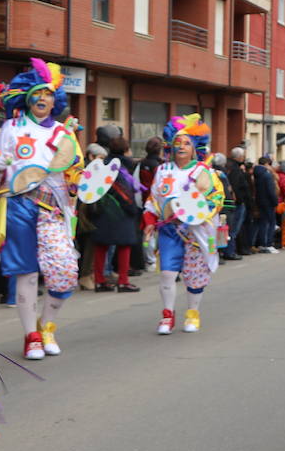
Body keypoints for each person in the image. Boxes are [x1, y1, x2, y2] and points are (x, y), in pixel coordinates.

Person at [0, 59, 83, 360]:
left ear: (56, 100)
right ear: (26, 98)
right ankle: (31, 336)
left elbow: (75, 174)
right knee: (26, 274)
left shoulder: (63, 133)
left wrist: (77, 185)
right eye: (37, 94)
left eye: (49, 94)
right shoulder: (11, 128)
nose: (43, 99)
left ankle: (48, 325)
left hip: (52, 209)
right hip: (19, 205)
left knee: (65, 272)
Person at [144, 115, 222, 334]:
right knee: (168, 273)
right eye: (178, 142)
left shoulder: (203, 171)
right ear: (170, 145)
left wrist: (199, 211)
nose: (181, 147)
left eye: (187, 143)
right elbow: (153, 199)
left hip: (195, 230)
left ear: (195, 147)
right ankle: (167, 315)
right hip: (169, 229)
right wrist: (149, 221)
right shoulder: (162, 171)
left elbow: (216, 199)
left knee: (194, 276)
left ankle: (193, 313)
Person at [86, 132, 141, 293]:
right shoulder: (125, 166)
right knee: (124, 245)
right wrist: (132, 209)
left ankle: (99, 280)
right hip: (122, 212)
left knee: (101, 246)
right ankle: (123, 281)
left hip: (103, 210)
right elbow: (126, 192)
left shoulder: (102, 164)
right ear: (125, 150)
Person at [225, 146, 252, 257]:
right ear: (240, 157)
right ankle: (230, 251)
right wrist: (239, 199)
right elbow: (236, 186)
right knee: (234, 228)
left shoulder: (231, 167)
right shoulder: (235, 169)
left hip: (235, 202)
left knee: (234, 228)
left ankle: (231, 250)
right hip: (237, 203)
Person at [252, 155, 279, 253]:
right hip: (268, 202)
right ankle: (268, 244)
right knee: (270, 223)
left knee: (262, 223)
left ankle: (261, 244)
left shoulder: (255, 173)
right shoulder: (267, 174)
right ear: (267, 164)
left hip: (259, 201)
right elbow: (270, 190)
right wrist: (275, 201)